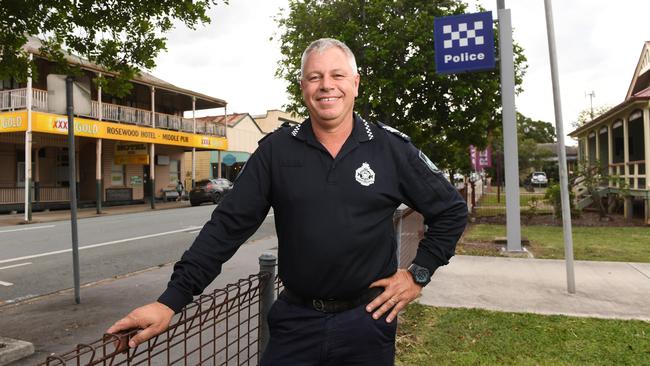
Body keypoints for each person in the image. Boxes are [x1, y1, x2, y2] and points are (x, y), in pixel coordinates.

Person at [107, 38, 468, 365]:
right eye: (315, 77)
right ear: (303, 88)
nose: (326, 85)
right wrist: (170, 300)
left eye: (337, 75)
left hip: (368, 322)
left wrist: (418, 274)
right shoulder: (275, 152)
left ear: (355, 84)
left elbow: (450, 210)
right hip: (296, 323)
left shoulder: (390, 148)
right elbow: (226, 227)